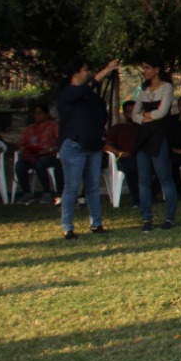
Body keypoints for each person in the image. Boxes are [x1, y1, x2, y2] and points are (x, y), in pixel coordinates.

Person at [58, 58, 118, 239]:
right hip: (74, 147)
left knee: (92, 187)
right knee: (72, 187)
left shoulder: (91, 98)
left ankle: (96, 223)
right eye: (85, 70)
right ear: (76, 73)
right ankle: (67, 226)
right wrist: (106, 70)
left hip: (93, 147)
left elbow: (101, 113)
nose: (88, 73)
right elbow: (85, 89)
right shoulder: (68, 93)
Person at [132, 54, 179, 231]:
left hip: (159, 135)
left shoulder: (166, 87)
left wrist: (144, 116)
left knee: (164, 176)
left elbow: (162, 113)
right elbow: (134, 114)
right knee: (143, 179)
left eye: (147, 68)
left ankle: (170, 217)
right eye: (143, 68)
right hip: (144, 136)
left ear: (157, 69)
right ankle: (146, 219)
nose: (144, 71)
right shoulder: (143, 90)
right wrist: (145, 117)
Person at [14, 101, 60, 204]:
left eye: (39, 113)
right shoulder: (30, 128)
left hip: (49, 156)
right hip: (31, 156)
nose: (36, 115)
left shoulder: (54, 126)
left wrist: (48, 150)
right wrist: (24, 148)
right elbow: (21, 142)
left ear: (47, 114)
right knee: (19, 166)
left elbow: (60, 143)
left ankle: (46, 192)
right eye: (35, 113)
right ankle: (27, 193)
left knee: (40, 164)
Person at [103, 100, 144, 206]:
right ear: (125, 114)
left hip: (143, 155)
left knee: (164, 164)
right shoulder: (118, 128)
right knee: (131, 167)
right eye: (129, 112)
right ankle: (136, 199)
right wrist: (120, 152)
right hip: (125, 157)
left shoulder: (145, 127)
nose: (132, 115)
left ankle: (151, 195)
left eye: (135, 111)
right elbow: (106, 145)